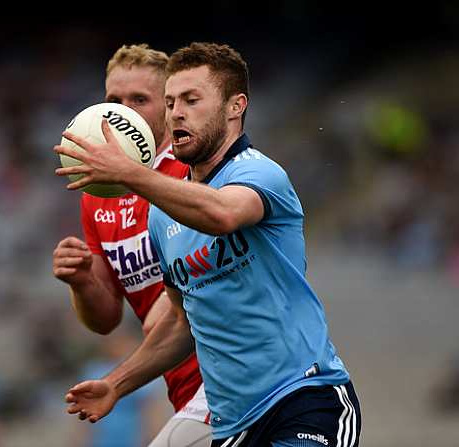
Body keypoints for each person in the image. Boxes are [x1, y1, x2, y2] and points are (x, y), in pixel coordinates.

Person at [55, 42, 362, 446]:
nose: (176, 112)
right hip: (232, 425)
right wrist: (116, 384)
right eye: (170, 102)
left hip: (302, 399)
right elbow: (180, 324)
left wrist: (131, 173)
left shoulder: (259, 172)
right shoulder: (163, 213)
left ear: (235, 107)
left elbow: (223, 214)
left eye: (191, 100)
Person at [51, 44, 211, 446]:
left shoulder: (193, 168)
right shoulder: (96, 195)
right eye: (113, 100)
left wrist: (168, 303)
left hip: (224, 369)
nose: (122, 111)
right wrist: (82, 279)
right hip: (178, 381)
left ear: (168, 108)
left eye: (139, 99)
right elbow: (104, 320)